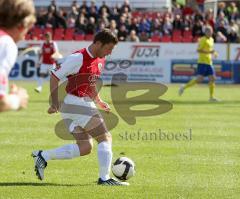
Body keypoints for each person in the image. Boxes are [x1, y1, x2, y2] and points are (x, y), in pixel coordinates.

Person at [32, 29, 129, 186]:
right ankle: (104, 178)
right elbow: (54, 76)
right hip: (74, 103)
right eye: (108, 49)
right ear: (98, 43)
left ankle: (43, 156)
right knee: (105, 137)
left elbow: (90, 82)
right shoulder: (78, 57)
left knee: (85, 147)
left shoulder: (100, 59)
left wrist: (98, 100)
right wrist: (54, 103)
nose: (109, 53)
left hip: (80, 103)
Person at [0, 0, 35, 112]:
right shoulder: (5, 43)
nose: (24, 37)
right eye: (27, 30)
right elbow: (1, 103)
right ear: (21, 25)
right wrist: (17, 99)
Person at [178, 26, 219, 102]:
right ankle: (183, 87)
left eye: (211, 31)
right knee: (199, 79)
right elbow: (198, 50)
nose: (210, 33)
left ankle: (211, 97)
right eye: (209, 31)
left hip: (209, 62)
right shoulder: (202, 39)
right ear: (205, 32)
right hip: (202, 62)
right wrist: (209, 52)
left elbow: (211, 50)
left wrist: (214, 53)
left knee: (212, 78)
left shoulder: (212, 40)